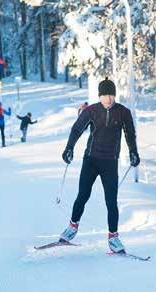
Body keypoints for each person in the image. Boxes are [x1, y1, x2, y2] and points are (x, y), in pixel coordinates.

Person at [59, 77, 140, 254]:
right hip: (91, 160)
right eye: (105, 95)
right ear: (99, 96)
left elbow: (130, 134)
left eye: (111, 95)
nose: (108, 99)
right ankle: (72, 227)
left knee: (111, 201)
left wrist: (134, 152)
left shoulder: (123, 112)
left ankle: (113, 238)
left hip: (110, 162)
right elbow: (76, 129)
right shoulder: (91, 111)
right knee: (83, 195)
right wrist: (69, 148)